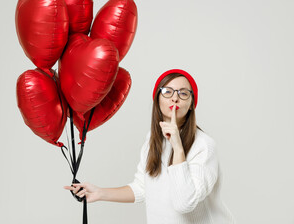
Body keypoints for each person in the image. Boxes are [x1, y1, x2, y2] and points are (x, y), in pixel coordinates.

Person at [64, 69, 235, 223]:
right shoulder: (152, 140)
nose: (175, 97)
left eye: (183, 93)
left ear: (191, 104)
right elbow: (142, 188)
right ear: (157, 100)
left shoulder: (204, 145)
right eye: (167, 92)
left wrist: (178, 148)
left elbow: (184, 203)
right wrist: (100, 193)